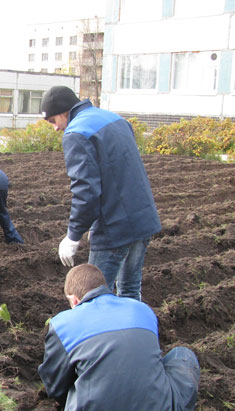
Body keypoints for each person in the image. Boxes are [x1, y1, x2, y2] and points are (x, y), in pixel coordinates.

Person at [38, 264, 199, 411]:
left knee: (83, 377)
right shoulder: (141, 309)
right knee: (182, 354)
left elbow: (55, 384)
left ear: (74, 299)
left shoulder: (62, 323)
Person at [42, 85, 161, 301]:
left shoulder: (76, 132)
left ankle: (97, 335)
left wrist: (73, 236)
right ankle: (130, 333)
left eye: (52, 121)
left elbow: (86, 191)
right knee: (129, 289)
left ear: (63, 112)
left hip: (114, 227)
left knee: (91, 296)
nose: (55, 128)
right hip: (143, 218)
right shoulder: (115, 119)